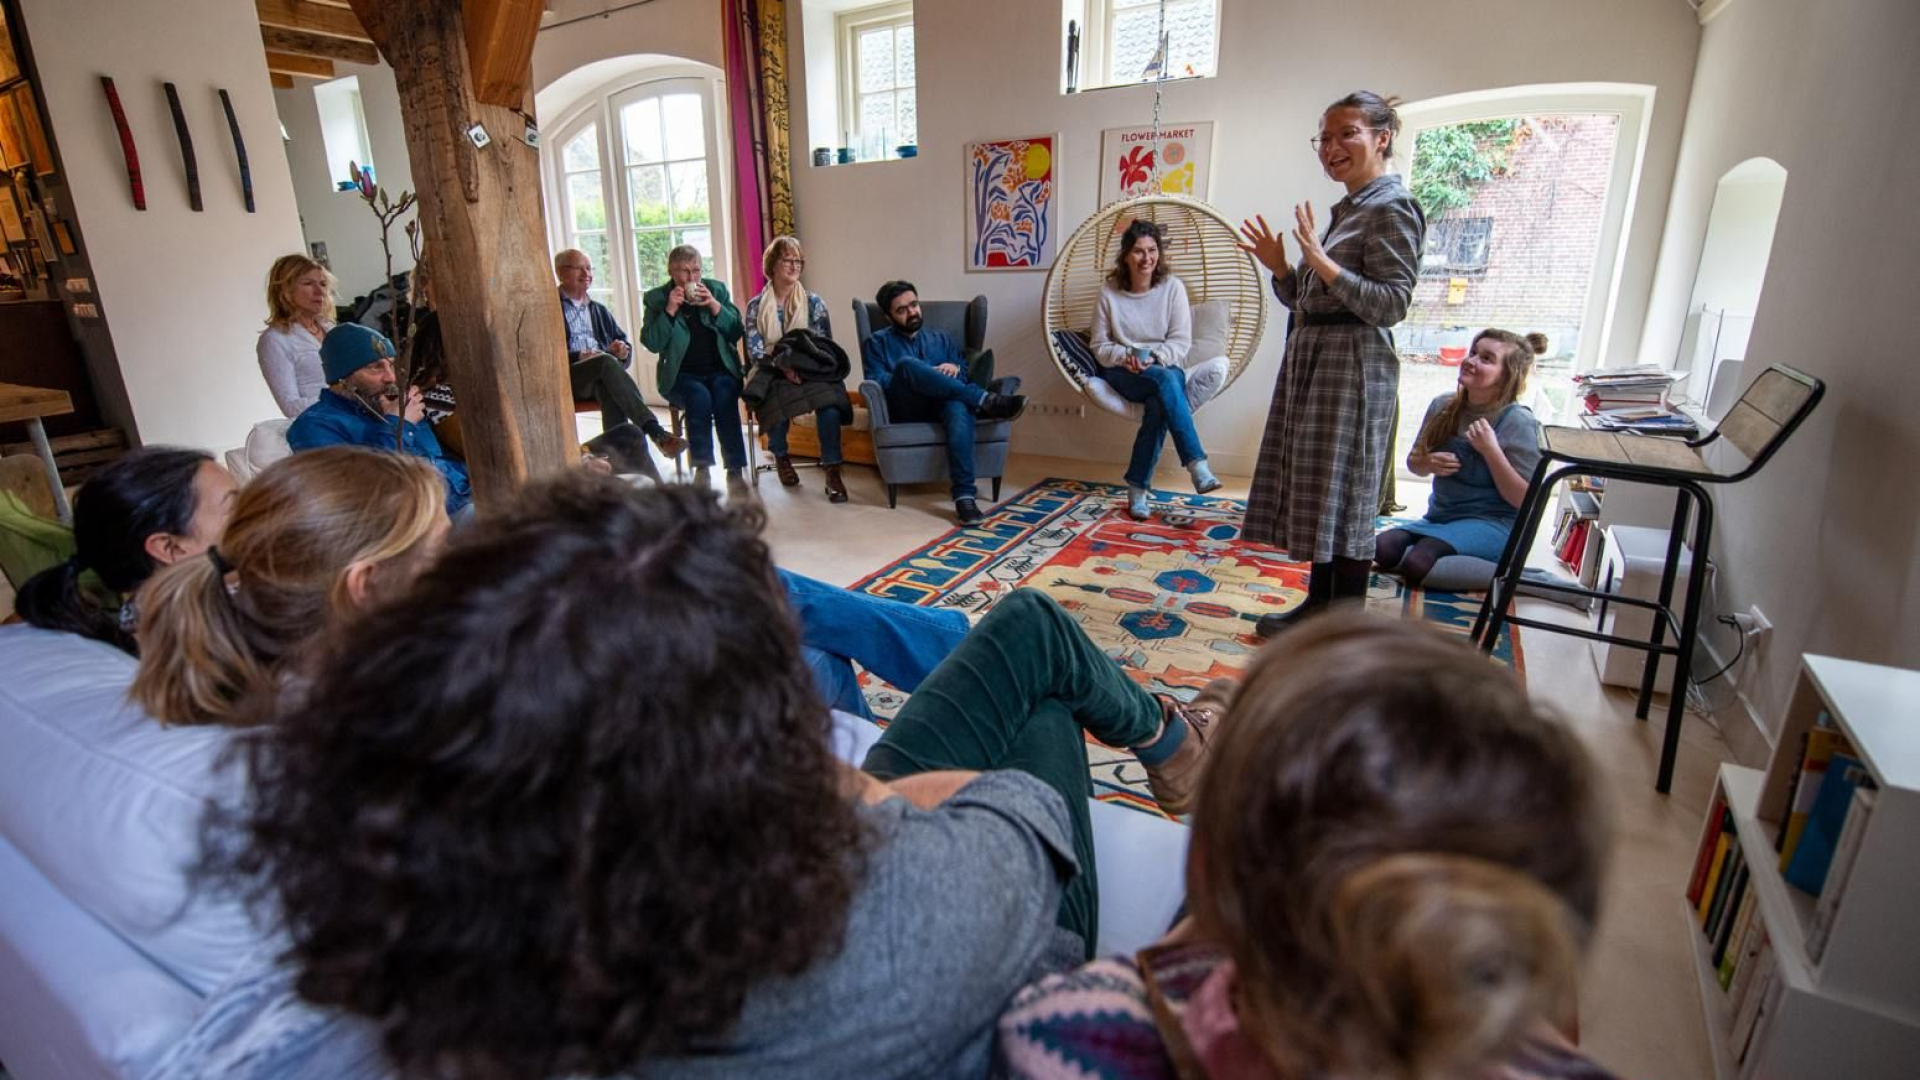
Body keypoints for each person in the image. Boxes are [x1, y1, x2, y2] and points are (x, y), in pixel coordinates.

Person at [212, 474, 1227, 1080]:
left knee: (1024, 642)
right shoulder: (928, 911)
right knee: (1039, 672)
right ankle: (1177, 746)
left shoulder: (469, 919)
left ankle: (1170, 742)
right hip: (987, 946)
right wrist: (868, 794)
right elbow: (1021, 812)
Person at [996, 612, 1617, 1080]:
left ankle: (1207, 743)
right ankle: (1205, 736)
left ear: (1208, 864)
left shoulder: (1069, 1033)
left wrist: (1196, 933)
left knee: (1040, 662)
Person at [1239, 91, 1426, 636]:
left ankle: (1342, 626)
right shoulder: (1351, 209)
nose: (1332, 147)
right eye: (1324, 137)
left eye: (1347, 133)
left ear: (1381, 137)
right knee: (1326, 491)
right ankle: (1318, 609)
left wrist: (1320, 262)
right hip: (1318, 363)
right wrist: (1283, 270)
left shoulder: (1392, 206)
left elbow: (1391, 303)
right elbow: (1313, 301)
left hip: (1353, 369)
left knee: (1347, 495)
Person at [129, 447, 451, 728]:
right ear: (363, 586)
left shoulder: (249, 671)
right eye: (441, 549)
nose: (456, 561)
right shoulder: (388, 727)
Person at [12, 447, 237, 654]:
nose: (255, 512)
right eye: (235, 506)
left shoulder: (149, 614)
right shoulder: (205, 643)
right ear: (169, 547)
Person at [1378, 329, 1548, 585]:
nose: (1471, 360)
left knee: (1418, 565)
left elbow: (1526, 501)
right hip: (1440, 517)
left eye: (1486, 358)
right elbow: (1414, 464)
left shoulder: (1519, 422)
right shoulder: (1442, 405)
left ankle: (1521, 580)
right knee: (1382, 548)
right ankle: (1447, 557)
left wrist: (1491, 451)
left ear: (1507, 376)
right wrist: (1427, 463)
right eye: (1473, 352)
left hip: (1495, 524)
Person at [861, 280, 1028, 523]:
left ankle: (964, 498)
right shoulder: (877, 343)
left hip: (944, 405)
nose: (912, 312)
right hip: (907, 407)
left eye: (913, 305)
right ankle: (985, 400)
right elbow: (877, 380)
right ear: (888, 317)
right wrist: (921, 374)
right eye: (902, 310)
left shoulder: (941, 338)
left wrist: (956, 368)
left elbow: (961, 375)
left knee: (957, 405)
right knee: (907, 365)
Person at [1089, 219, 1221, 519]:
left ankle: (1137, 490)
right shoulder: (1108, 293)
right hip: (1123, 372)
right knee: (1165, 384)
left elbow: (1181, 341)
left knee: (1159, 398)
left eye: (1152, 250)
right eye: (1138, 251)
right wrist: (1126, 356)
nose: (1146, 258)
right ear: (1125, 256)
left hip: (1163, 366)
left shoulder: (1173, 288)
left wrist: (1155, 358)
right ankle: (1196, 464)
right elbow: (1099, 345)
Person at [286, 324, 473, 519]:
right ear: (341, 377)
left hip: (466, 498)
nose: (390, 377)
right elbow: (369, 495)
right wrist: (398, 426)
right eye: (375, 367)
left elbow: (438, 462)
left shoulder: (388, 404)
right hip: (425, 523)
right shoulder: (314, 427)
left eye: (391, 365)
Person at [554, 249, 688, 463]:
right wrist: (580, 355)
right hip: (567, 377)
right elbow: (546, 356)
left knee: (608, 389)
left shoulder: (598, 309)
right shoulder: (549, 308)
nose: (586, 272)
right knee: (605, 362)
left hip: (598, 375)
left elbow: (623, 344)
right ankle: (655, 432)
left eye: (589, 267)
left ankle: (618, 461)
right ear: (560, 272)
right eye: (579, 267)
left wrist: (621, 350)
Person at [744, 235, 851, 503]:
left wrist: (802, 368)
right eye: (787, 260)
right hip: (771, 369)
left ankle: (832, 468)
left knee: (830, 403)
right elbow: (755, 350)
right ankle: (781, 456)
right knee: (776, 401)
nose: (794, 266)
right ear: (772, 264)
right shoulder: (756, 306)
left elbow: (824, 345)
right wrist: (783, 368)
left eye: (798, 261)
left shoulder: (814, 303)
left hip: (811, 369)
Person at [640, 246, 751, 498]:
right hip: (681, 377)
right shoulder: (657, 299)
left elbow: (736, 332)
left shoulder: (717, 290)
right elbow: (652, 342)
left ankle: (735, 469)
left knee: (724, 394)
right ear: (671, 271)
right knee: (698, 397)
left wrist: (714, 305)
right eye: (685, 272)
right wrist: (670, 310)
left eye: (697, 270)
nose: (692, 278)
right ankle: (702, 468)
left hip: (721, 371)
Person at [256, 254, 336, 418]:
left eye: (323, 284)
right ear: (285, 291)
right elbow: (290, 407)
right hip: (321, 428)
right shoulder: (275, 339)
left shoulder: (331, 330)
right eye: (308, 284)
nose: (320, 291)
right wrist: (342, 397)